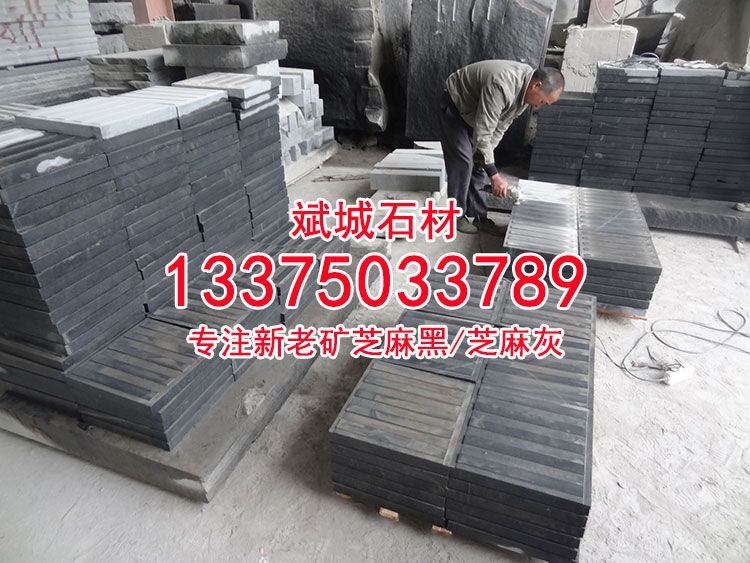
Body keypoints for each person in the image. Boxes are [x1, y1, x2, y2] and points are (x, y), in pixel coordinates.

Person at [440, 61, 565, 235]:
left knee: (479, 164)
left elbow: (501, 126)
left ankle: (479, 216)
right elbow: (484, 132)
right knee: (463, 162)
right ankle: (455, 216)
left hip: (477, 112)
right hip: (456, 103)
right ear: (536, 85)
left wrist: (486, 160)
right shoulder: (501, 85)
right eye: (543, 101)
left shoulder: (525, 93)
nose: (540, 106)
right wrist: (495, 175)